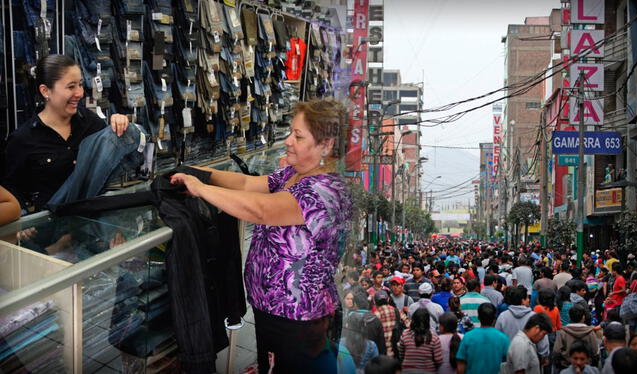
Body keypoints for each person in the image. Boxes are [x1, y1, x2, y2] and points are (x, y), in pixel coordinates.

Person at [172, 98, 351, 372]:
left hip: (300, 321)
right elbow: (247, 183)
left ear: (326, 145)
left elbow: (261, 210)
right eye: (291, 131)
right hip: (272, 311)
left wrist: (201, 190)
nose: (288, 140)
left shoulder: (326, 190)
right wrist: (197, 174)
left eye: (298, 135)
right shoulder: (294, 174)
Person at [3, 54, 130, 212]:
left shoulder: (91, 123)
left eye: (81, 84)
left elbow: (112, 164)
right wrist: (24, 221)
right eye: (71, 86)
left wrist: (118, 124)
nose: (80, 93)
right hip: (50, 231)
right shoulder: (23, 139)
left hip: (92, 223)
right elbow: (11, 191)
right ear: (45, 91)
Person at [456, 303, 510, 374]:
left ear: (478, 317)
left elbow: (461, 365)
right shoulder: (503, 338)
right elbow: (509, 363)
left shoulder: (468, 337)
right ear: (494, 318)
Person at [553, 305, 600, 371]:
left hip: (565, 366)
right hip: (585, 367)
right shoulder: (590, 332)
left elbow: (556, 351)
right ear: (583, 317)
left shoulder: (563, 332)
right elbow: (595, 351)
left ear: (569, 317)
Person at [397, 308, 443, 373]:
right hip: (428, 370)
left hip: (407, 370)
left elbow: (401, 354)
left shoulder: (405, 334)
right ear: (428, 321)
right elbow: (438, 360)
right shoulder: (434, 338)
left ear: (413, 320)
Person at [373, 290, 401, 357]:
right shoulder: (397, 311)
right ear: (388, 299)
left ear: (375, 302)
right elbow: (409, 325)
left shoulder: (375, 315)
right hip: (396, 352)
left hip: (382, 354)